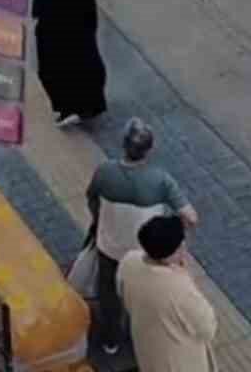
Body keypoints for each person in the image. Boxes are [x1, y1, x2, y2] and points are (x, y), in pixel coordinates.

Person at [87, 119, 199, 357]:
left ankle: (111, 340)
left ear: (123, 145)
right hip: (144, 253)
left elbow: (92, 199)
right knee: (145, 296)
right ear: (149, 150)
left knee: (108, 293)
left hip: (109, 246)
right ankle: (140, 340)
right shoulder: (161, 180)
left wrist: (100, 220)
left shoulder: (104, 172)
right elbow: (191, 217)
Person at [118, 215, 217, 372]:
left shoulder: (129, 260)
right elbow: (207, 328)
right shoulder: (179, 288)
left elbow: (123, 295)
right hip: (178, 361)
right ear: (177, 249)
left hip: (146, 346)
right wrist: (184, 275)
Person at [32, 0, 106, 129]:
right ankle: (89, 106)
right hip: (80, 32)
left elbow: (37, 9)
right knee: (85, 69)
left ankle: (67, 108)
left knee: (53, 72)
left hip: (53, 36)